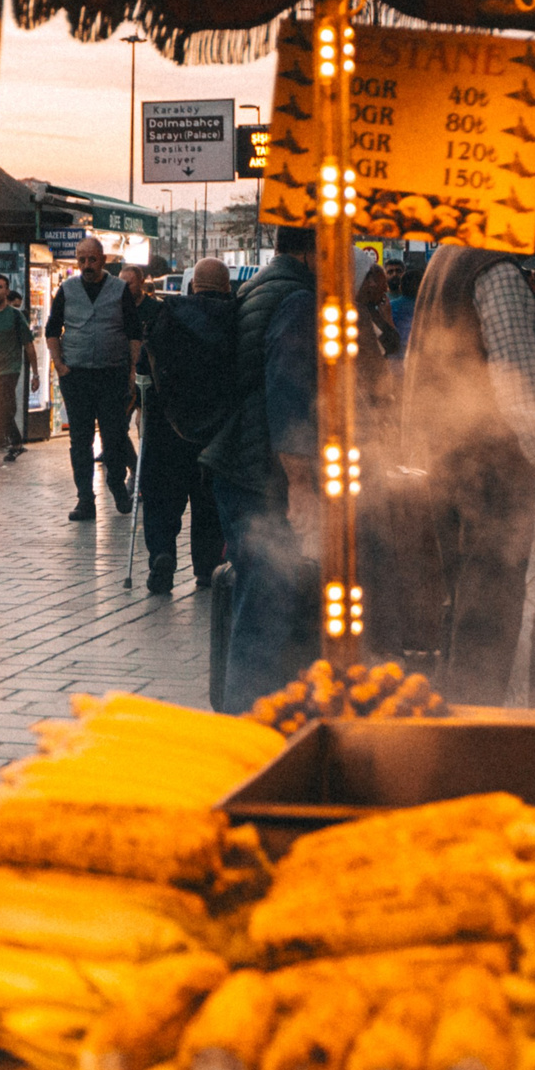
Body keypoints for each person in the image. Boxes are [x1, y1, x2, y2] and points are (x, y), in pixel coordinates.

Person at [403, 200, 535, 705]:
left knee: (460, 598)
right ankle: (478, 720)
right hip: (489, 467)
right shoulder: (497, 272)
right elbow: (517, 391)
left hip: (445, 456)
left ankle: (453, 710)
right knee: (488, 606)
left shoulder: (447, 257)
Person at [201, 225, 315, 710]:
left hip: (237, 466)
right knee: (264, 609)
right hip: (261, 476)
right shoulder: (297, 300)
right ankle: (247, 727)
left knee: (257, 600)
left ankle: (245, 714)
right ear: (318, 247)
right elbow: (288, 399)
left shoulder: (258, 286)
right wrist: (302, 486)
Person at [139, 258, 236, 594]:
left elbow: (142, 372)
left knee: (163, 495)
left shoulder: (165, 316)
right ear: (227, 287)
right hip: (217, 429)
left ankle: (162, 554)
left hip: (168, 426)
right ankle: (207, 566)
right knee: (207, 500)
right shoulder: (235, 319)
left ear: (192, 285)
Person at [44, 236, 144, 520]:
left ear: (103, 260)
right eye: (82, 259)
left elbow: (134, 333)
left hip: (112, 374)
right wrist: (59, 365)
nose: (87, 265)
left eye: (92, 259)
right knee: (80, 440)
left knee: (114, 437)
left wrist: (132, 370)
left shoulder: (119, 289)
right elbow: (52, 329)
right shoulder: (67, 289)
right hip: (76, 376)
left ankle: (116, 483)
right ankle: (85, 499)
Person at [0, 274, 32, 465]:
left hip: (10, 370)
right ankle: (17, 443)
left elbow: (29, 345)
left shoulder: (15, 316)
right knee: (3, 410)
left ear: (7, 291)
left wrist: (34, 374)